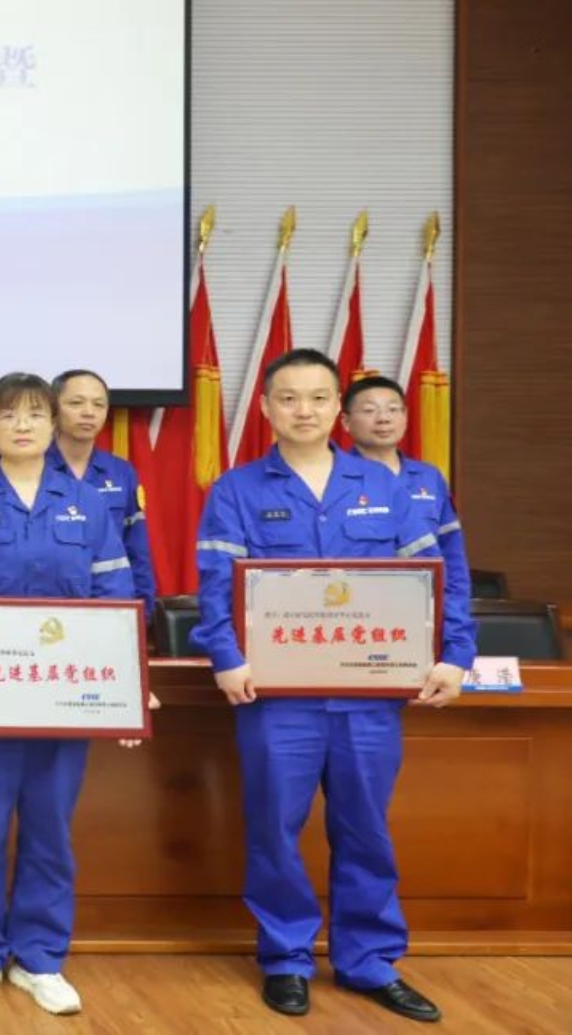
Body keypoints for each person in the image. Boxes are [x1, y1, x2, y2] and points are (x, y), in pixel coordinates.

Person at [193, 349, 475, 1023]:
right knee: (273, 829)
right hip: (275, 698)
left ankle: (368, 960)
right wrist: (225, 655)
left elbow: (438, 578)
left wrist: (455, 653)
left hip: (368, 696)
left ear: (336, 409)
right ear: (266, 407)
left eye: (318, 397)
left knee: (365, 829)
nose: (304, 410)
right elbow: (214, 587)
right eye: (289, 398)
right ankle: (285, 957)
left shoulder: (385, 486)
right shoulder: (236, 489)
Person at [0, 373, 138, 1016]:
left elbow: (115, 595)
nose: (23, 425)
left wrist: (124, 683)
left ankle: (40, 957)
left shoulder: (89, 505)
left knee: (49, 830)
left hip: (63, 698)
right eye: (9, 414)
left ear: (53, 424)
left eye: (36, 414)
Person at [341, 374, 472, 604]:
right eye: (369, 410)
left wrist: (454, 613)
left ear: (405, 417)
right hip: (360, 606)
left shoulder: (429, 477)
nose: (383, 419)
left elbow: (452, 554)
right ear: (346, 422)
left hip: (425, 606)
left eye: (393, 410)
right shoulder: (334, 479)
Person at [48, 369, 156, 618]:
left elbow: (137, 550)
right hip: (50, 608)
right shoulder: (33, 469)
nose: (89, 412)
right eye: (76, 403)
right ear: (53, 409)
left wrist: (142, 613)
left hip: (109, 606)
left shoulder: (121, 472)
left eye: (99, 404)